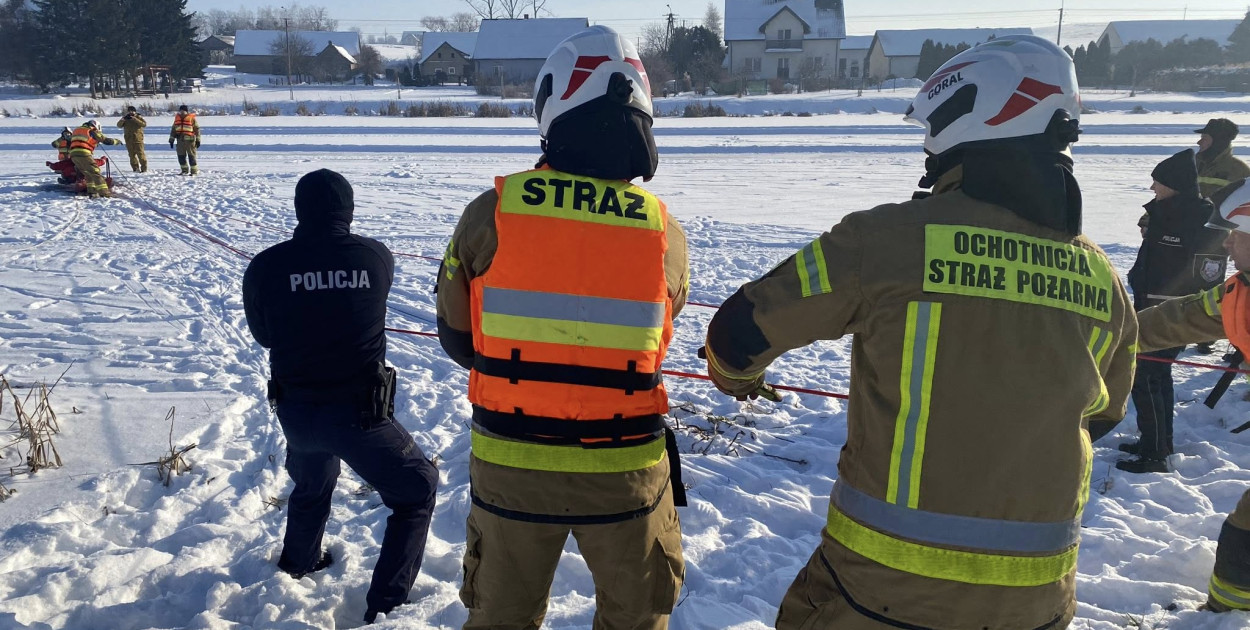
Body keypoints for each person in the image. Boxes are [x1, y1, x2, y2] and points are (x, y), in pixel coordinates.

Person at [702, 36, 1136, 630]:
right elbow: (1104, 411)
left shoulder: (884, 240)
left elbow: (740, 331)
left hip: (885, 589)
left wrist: (734, 376)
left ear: (966, 116)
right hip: (1040, 599)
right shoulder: (1100, 275)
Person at [435, 25, 689, 630]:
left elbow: (456, 337)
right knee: (636, 619)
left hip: (512, 468)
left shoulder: (490, 214)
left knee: (501, 619)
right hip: (628, 472)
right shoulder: (665, 232)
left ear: (554, 105)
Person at [242, 170, 439, 624]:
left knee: (313, 484)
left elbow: (263, 336)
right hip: (359, 416)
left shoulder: (267, 265)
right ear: (347, 212)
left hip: (295, 412)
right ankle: (386, 606)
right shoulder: (375, 257)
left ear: (299, 210)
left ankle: (298, 563)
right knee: (417, 489)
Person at [1134, 179, 1250, 612]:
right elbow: (1181, 316)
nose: (1229, 244)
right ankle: (1229, 610)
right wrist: (1109, 333)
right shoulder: (1240, 294)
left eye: (1238, 235)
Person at [1118, 150, 1227, 473]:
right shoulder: (1166, 212)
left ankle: (1154, 453)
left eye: (1158, 182)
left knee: (1146, 377)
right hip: (1149, 306)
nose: (1152, 188)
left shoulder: (1199, 219)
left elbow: (1209, 272)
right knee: (1156, 376)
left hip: (1171, 315)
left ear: (1175, 185)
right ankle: (1157, 441)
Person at [1196, 119, 1250, 198]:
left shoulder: (1239, 170)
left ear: (1218, 142)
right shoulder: (1191, 165)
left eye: (1205, 138)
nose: (1199, 142)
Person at [67, 120, 122, 198]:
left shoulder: (77, 130)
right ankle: (105, 194)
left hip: (73, 155)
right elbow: (106, 141)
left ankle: (92, 192)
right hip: (84, 153)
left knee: (88, 173)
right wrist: (117, 141)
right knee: (96, 173)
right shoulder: (91, 131)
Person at [169, 104, 201, 175]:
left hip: (190, 141)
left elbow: (197, 129)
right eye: (181, 111)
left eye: (184, 111)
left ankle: (194, 171)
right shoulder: (177, 119)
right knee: (181, 156)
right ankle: (184, 170)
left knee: (191, 156)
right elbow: (173, 130)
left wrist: (198, 140)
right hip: (180, 141)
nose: (182, 112)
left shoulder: (192, 119)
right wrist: (171, 139)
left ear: (186, 111)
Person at [116, 105, 147, 173]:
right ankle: (135, 168)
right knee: (132, 156)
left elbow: (144, 124)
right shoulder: (126, 118)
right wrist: (122, 120)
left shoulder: (138, 117)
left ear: (135, 112)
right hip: (129, 140)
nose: (131, 113)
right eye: (129, 111)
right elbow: (119, 125)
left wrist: (135, 119)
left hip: (138, 139)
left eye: (132, 111)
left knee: (141, 155)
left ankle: (144, 169)